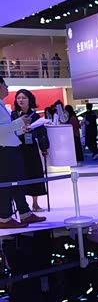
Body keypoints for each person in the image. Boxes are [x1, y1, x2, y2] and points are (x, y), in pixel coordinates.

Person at [0, 77, 46, 228]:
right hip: (5, 151)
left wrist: (21, 130)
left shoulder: (2, 106)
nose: (7, 87)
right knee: (7, 185)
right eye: (5, 85)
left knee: (17, 183)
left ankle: (25, 213)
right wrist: (20, 122)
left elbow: (8, 131)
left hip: (11, 149)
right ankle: (5, 218)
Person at [11, 90, 48, 212]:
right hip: (17, 148)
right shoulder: (13, 115)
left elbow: (42, 133)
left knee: (34, 173)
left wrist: (44, 148)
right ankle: (22, 205)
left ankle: (35, 203)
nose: (21, 100)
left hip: (31, 148)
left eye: (24, 98)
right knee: (20, 175)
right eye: (18, 98)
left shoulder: (35, 116)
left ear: (29, 99)